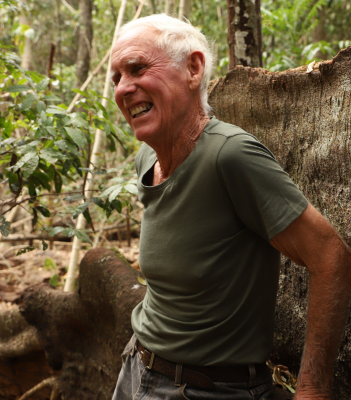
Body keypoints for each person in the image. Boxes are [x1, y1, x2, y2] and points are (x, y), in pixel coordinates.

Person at [110, 14, 351, 400]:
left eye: (138, 68)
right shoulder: (147, 160)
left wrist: (311, 391)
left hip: (204, 388)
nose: (124, 88)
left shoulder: (230, 155)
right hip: (137, 369)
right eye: (116, 78)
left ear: (193, 68)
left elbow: (330, 256)